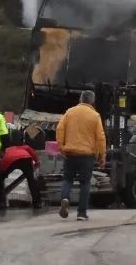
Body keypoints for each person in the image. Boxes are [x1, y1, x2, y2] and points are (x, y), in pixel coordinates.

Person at [56, 90, 105, 221]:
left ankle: (65, 198)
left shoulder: (69, 112)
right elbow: (101, 138)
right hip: (87, 156)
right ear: (92, 101)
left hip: (70, 153)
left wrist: (62, 148)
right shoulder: (95, 116)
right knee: (84, 183)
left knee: (67, 180)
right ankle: (81, 213)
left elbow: (59, 129)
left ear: (80, 99)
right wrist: (101, 157)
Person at [0, 143, 42, 210]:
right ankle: (37, 203)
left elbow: (0, 169)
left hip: (9, 159)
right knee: (31, 180)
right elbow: (29, 149)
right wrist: (37, 161)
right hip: (26, 158)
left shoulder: (6, 150)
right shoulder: (23, 147)